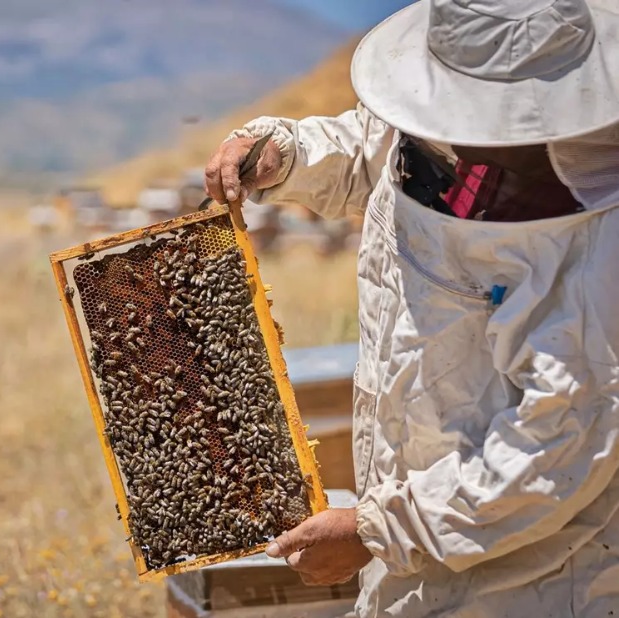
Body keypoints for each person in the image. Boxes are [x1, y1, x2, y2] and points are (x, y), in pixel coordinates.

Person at [204, 0, 619, 616]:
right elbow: (384, 154)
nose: (459, 128)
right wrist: (284, 154)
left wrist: (377, 531)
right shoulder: (443, 132)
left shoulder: (596, 251)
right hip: (411, 544)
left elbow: (554, 449)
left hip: (534, 581)